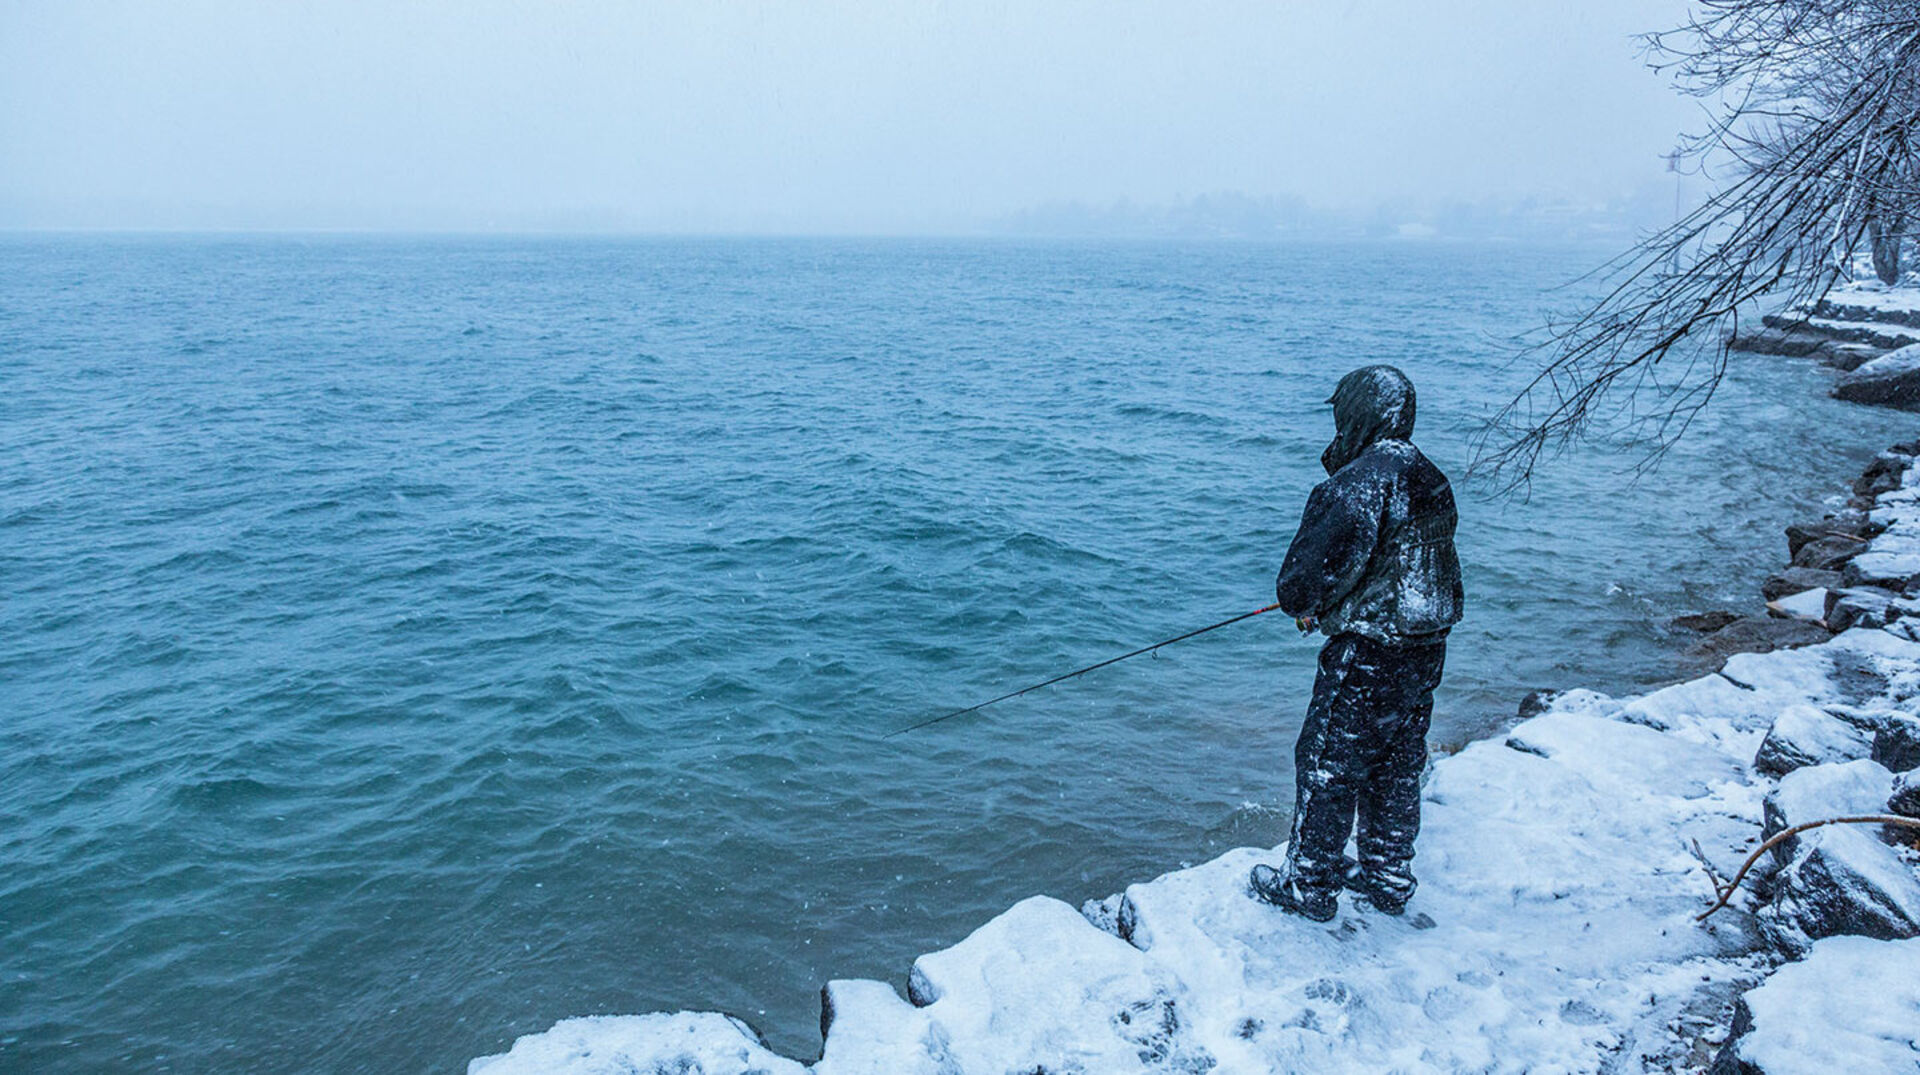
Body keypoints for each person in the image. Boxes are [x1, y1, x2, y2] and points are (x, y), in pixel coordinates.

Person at [1248, 365, 1464, 921]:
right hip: (1424, 649)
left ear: (1358, 413)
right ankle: (1388, 876)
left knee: (1326, 761)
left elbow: (1300, 584)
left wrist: (1315, 606)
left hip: (1370, 652)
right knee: (1395, 763)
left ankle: (1309, 885)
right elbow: (1396, 563)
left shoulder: (1357, 484)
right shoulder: (1429, 476)